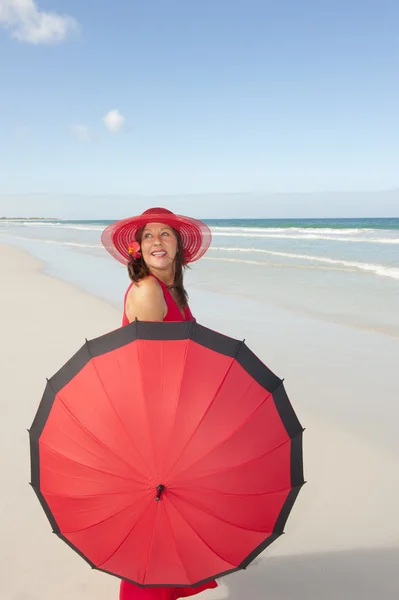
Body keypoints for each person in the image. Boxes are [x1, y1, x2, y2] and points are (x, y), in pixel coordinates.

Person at [101, 208, 217, 600]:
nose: (156, 241)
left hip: (170, 417)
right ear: (139, 249)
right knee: (152, 531)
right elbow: (148, 369)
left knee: (166, 525)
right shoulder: (149, 291)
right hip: (149, 422)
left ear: (179, 247)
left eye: (165, 234)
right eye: (148, 235)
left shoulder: (175, 293)